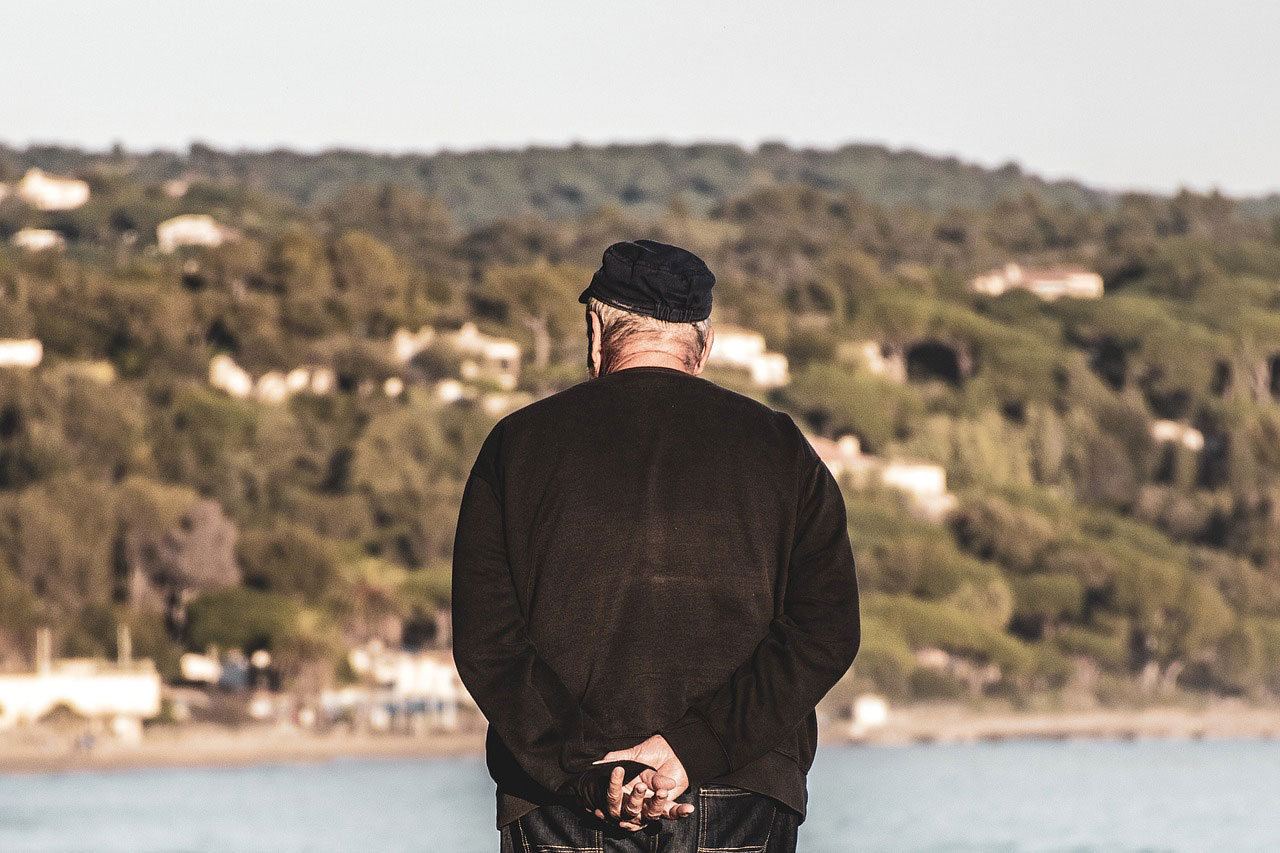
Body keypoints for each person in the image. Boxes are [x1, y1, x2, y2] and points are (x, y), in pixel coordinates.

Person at [452, 239, 860, 852]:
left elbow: (488, 643)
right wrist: (694, 749)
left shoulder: (516, 445)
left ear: (596, 330)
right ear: (705, 342)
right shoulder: (780, 447)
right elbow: (825, 630)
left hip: (563, 802)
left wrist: (590, 768)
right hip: (738, 793)